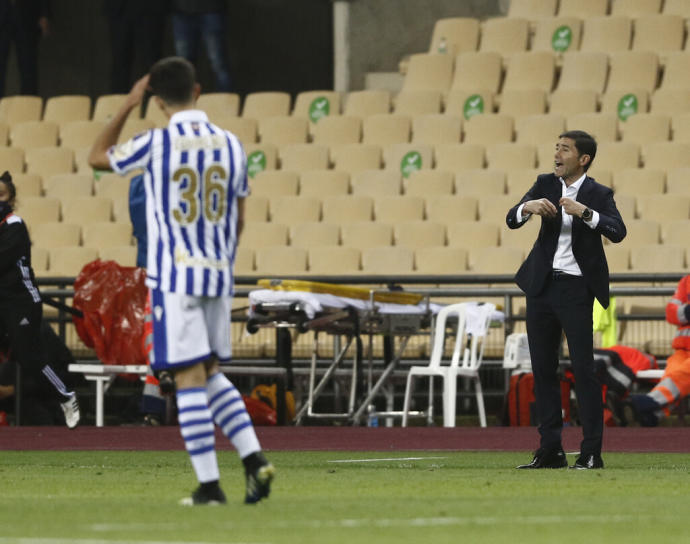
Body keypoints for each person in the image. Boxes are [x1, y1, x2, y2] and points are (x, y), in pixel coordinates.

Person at [88, 56, 274, 505]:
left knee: (185, 376)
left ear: (155, 97)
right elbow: (241, 216)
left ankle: (210, 486)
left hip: (175, 275)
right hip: (217, 274)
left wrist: (129, 103)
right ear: (198, 90)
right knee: (208, 371)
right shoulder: (231, 144)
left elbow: (97, 158)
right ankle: (253, 461)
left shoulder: (157, 142)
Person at [506, 130, 626, 470]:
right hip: (541, 287)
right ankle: (550, 450)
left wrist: (584, 212)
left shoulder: (598, 193)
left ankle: (590, 452)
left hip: (575, 290)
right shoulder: (544, 183)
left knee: (583, 370)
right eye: (556, 147)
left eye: (565, 149)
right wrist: (526, 208)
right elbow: (511, 220)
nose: (557, 154)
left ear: (583, 159)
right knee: (543, 370)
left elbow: (617, 231)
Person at [0, 171, 80, 428]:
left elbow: (3, 261)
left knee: (30, 357)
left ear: (10, 199)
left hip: (20, 302)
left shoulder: (14, 225)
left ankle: (66, 396)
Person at [625, 274, 690, 426]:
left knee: (681, 375)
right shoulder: (687, 281)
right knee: (672, 376)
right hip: (682, 349)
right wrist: (687, 311)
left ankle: (649, 402)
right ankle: (654, 415)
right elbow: (671, 313)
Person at [104, 0, 169, 95]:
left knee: (152, 60)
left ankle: (155, 104)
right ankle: (120, 106)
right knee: (120, 61)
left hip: (151, 9)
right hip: (119, 9)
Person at [171, 0, 232, 92]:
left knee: (219, 64)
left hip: (211, 9)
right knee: (184, 67)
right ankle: (185, 103)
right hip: (181, 11)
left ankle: (227, 102)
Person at [0, 0, 51, 97]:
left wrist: (45, 14)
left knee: (28, 67)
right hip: (3, 12)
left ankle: (29, 106)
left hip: (27, 14)